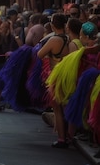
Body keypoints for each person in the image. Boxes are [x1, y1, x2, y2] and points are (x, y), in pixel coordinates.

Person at [37, 13, 70, 148]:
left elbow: (39, 54)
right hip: (68, 75)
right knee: (66, 107)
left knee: (58, 109)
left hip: (56, 77)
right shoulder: (69, 39)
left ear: (52, 25)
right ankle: (68, 136)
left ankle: (62, 139)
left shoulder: (54, 40)